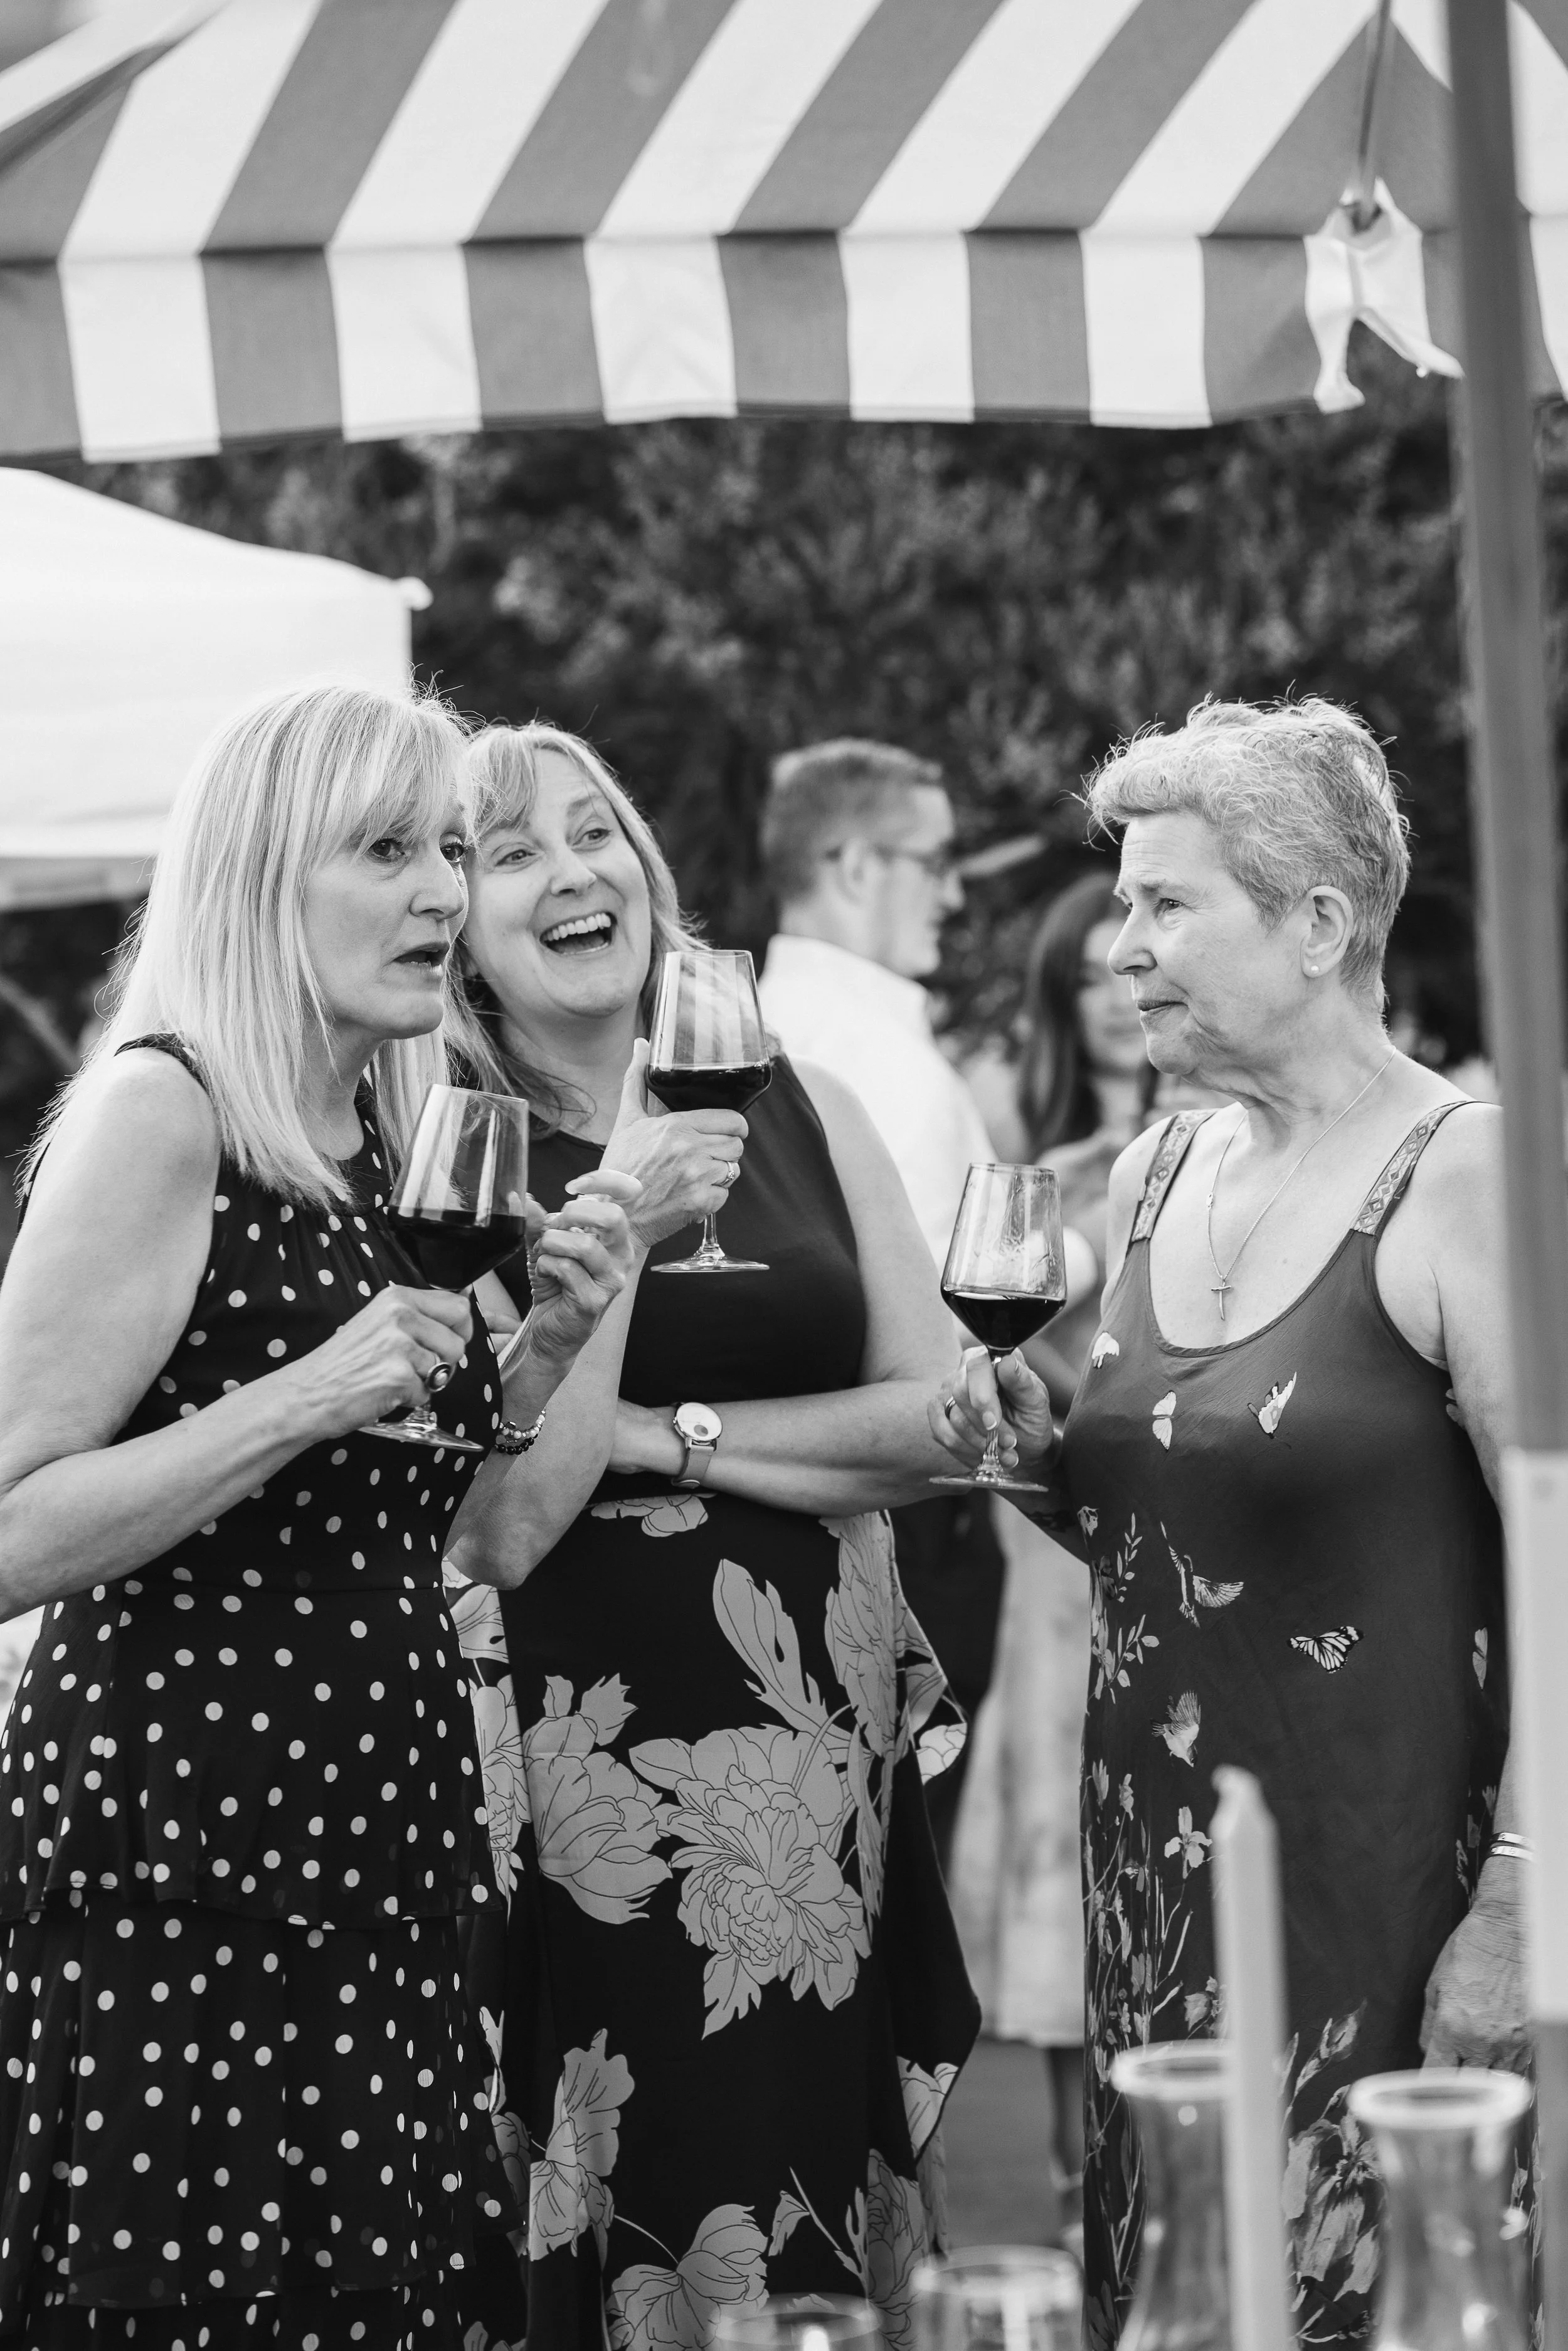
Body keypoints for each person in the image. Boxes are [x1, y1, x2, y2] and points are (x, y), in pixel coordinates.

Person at [0, 683, 639, 2350]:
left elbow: (459, 1539)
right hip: (184, 1871)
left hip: (375, 1839)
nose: (443, 889)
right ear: (258, 878)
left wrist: (547, 1343)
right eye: (389, 849)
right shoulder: (168, 1111)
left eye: (448, 848)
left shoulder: (379, 1140)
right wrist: (311, 1391)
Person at [927, 698, 1521, 2348]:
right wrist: (1033, 1455)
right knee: (1183, 2289)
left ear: (1319, 923)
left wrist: (1526, 1893)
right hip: (1155, 1895)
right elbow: (1166, 1540)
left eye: (1164, 903)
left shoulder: (1463, 1174)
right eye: (1122, 903)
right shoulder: (1152, 1172)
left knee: (1373, 2299)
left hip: (1390, 1904)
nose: (1120, 946)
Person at [447, 721, 980, 2351]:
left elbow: (935, 1419)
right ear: (456, 928)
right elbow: (505, 1512)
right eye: (512, 852)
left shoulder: (791, 1098)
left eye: (595, 831)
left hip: (814, 1782)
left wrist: (664, 1437)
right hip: (586, 1789)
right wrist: (625, 1198)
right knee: (641, 2190)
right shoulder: (449, 1149)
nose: (573, 872)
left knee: (804, 2183)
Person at [948, 874, 1157, 2242]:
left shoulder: (1247, 1152)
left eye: (1125, 959)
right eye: (1083, 972)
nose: (1116, 989)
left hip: (1174, 1537)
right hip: (1053, 1547)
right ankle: (1090, 2203)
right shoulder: (1047, 1185)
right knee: (1060, 1856)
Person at [755, 740, 1003, 1866]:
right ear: (855, 865)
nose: (953, 895)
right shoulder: (881, 1066)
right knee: (893, 1866)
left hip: (788, 1511)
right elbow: (928, 1321)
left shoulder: (754, 1020)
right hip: (901, 1518)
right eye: (936, 860)